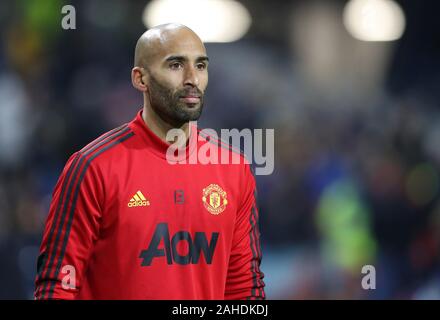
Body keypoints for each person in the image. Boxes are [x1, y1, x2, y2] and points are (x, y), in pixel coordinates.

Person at [34, 23, 265, 300]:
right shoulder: (92, 167)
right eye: (176, 66)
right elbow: (57, 286)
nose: (192, 78)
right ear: (140, 79)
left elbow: (244, 290)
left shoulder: (233, 170)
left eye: (201, 66)